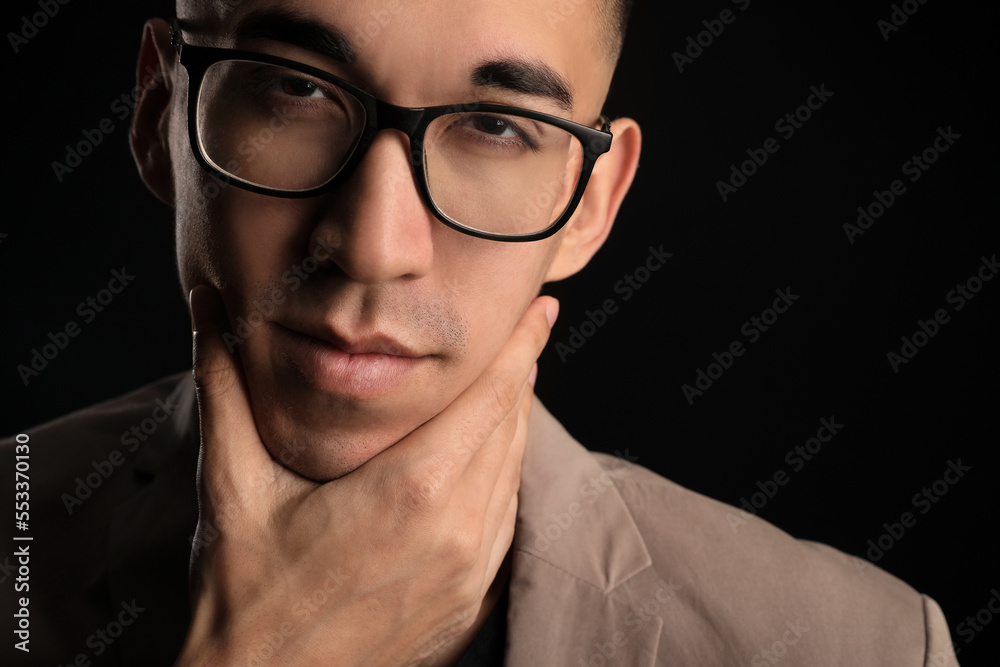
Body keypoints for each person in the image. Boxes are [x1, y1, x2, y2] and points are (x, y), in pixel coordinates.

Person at [1, 0, 962, 665]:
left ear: (593, 202)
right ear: (161, 108)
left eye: (498, 127)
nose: (374, 246)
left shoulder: (863, 647)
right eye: (296, 88)